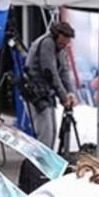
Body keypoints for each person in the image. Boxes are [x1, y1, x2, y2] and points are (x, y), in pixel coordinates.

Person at [25, 20, 79, 148]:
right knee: (46, 134)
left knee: (52, 132)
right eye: (62, 42)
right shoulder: (47, 43)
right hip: (37, 93)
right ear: (56, 36)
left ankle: (45, 159)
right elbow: (50, 72)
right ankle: (40, 160)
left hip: (46, 93)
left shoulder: (60, 48)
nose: (64, 45)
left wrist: (71, 93)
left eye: (66, 42)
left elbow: (64, 71)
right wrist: (64, 97)